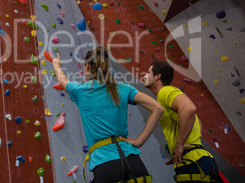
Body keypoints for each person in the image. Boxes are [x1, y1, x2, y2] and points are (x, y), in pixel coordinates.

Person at [52, 46, 164, 183]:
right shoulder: (123, 88)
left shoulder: (81, 91)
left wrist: (56, 64)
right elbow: (158, 108)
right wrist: (139, 141)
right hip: (132, 160)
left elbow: (61, 78)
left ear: (87, 65)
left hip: (105, 164)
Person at [125, 60, 222, 182]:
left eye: (148, 72)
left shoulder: (165, 91)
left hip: (191, 162)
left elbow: (189, 109)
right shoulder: (167, 97)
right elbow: (198, 122)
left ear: (157, 76)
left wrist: (180, 144)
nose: (144, 76)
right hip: (200, 159)